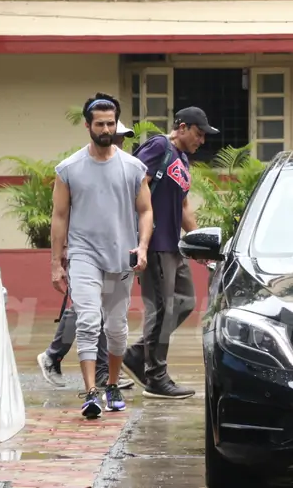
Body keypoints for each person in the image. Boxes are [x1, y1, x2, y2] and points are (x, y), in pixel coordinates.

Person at [51, 93, 154, 418]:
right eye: (100, 124)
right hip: (83, 256)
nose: (106, 128)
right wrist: (56, 263)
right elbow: (60, 216)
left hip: (121, 256)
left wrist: (143, 247)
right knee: (88, 321)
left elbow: (146, 210)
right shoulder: (69, 169)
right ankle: (91, 392)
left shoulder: (133, 167)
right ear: (88, 126)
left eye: (111, 123)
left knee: (116, 328)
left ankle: (111, 383)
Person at [122, 107, 219, 400]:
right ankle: (156, 377)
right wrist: (140, 238)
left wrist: (200, 242)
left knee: (186, 301)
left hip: (174, 245)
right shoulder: (159, 146)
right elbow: (135, 185)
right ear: (182, 127)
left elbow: (184, 206)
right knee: (162, 310)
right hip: (154, 243)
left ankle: (137, 356)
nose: (201, 141)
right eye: (198, 134)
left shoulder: (183, 160)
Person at [37, 121, 136, 391]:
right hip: (85, 253)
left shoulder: (126, 168)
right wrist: (63, 253)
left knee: (106, 316)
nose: (119, 143)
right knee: (87, 314)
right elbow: (64, 213)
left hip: (115, 255)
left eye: (122, 139)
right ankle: (57, 357)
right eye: (117, 137)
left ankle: (99, 372)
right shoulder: (78, 169)